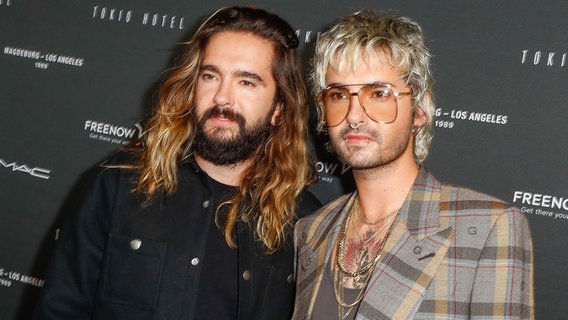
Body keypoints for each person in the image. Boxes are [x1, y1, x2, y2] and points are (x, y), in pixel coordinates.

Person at [34, 6, 320, 320]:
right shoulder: (118, 184)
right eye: (210, 76)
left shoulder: (305, 224)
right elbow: (59, 310)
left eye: (246, 83)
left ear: (279, 107)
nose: (222, 98)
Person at [293, 10, 533, 320]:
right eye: (338, 94)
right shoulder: (311, 231)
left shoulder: (488, 229)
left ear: (420, 110)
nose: (353, 115)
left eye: (379, 93)